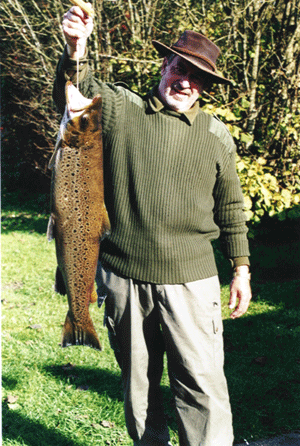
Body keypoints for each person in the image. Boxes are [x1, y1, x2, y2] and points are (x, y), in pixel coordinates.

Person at [53, 5, 252, 446]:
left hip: (192, 280)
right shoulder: (124, 110)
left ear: (207, 86)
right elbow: (78, 90)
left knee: (202, 385)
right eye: (180, 67)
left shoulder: (216, 136)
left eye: (197, 76)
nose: (185, 81)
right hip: (124, 279)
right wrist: (76, 46)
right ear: (165, 64)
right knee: (139, 386)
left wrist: (241, 268)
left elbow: (231, 208)